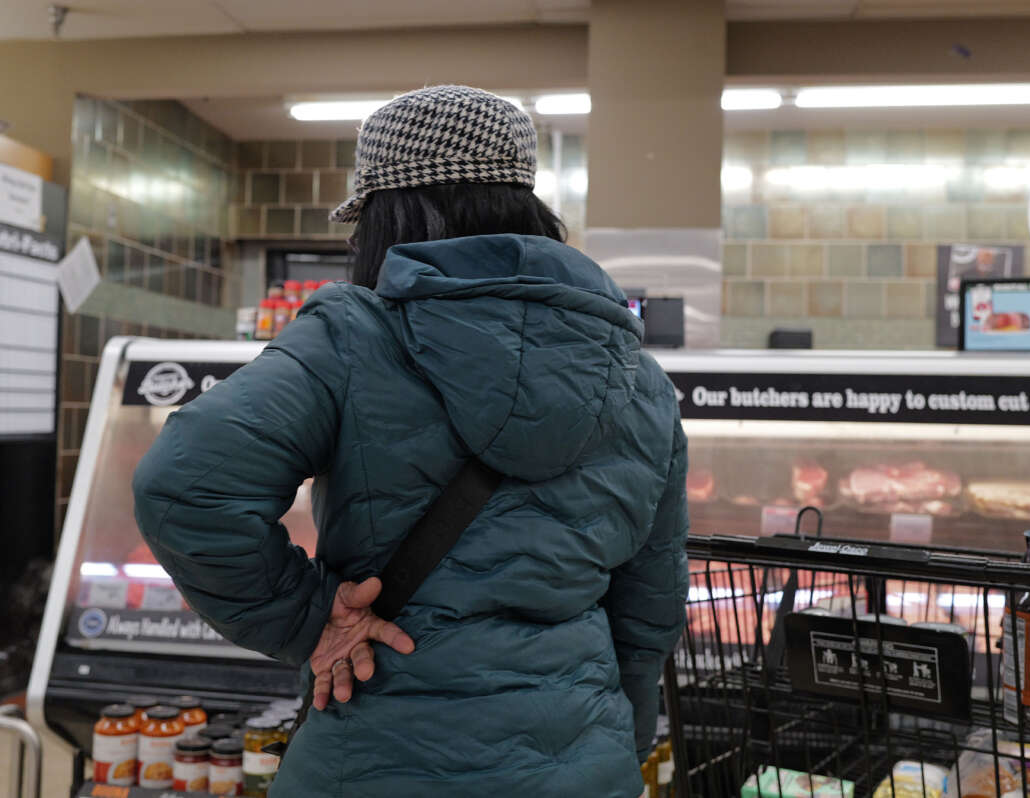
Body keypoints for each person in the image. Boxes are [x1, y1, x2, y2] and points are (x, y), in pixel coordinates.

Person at [132, 85, 688, 796]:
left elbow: (183, 486)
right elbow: (652, 609)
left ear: (389, 216)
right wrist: (618, 740)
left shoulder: (349, 339)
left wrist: (308, 622)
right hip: (583, 766)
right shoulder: (638, 379)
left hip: (373, 759)